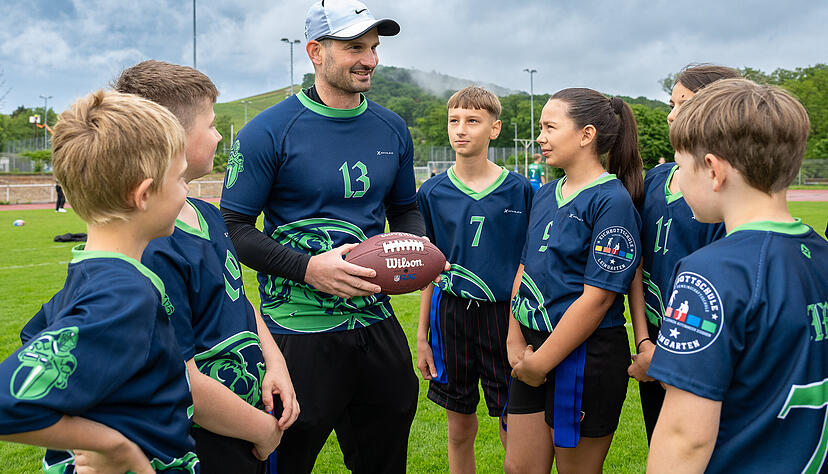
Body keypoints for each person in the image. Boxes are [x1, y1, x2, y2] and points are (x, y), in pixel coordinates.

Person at [219, 1, 424, 472]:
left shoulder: (392, 126)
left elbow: (405, 208)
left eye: (373, 48)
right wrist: (309, 269)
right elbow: (234, 229)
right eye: (354, 47)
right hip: (298, 331)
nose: (369, 59)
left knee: (385, 458)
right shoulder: (267, 131)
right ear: (315, 51)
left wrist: (413, 252)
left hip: (375, 321)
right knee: (287, 459)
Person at [114, 60, 299, 474]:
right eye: (212, 124)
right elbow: (182, 381)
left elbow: (239, 301)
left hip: (252, 415)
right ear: (173, 136)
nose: (219, 137)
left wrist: (276, 365)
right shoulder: (152, 242)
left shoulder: (208, 214)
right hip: (209, 442)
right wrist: (262, 431)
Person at [0, 90, 196, 473]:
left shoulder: (88, 274)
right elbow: (9, 401)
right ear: (143, 195)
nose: (186, 189)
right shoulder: (123, 294)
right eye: (181, 178)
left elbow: (36, 337)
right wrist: (114, 446)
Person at [647, 78, 828, 472]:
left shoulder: (710, 273)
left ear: (713, 170)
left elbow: (685, 437)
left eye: (681, 166)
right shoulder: (820, 253)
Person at [506, 89, 643, 474]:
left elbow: (597, 300)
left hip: (586, 354)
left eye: (550, 127)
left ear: (586, 135)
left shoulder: (612, 201)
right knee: (519, 468)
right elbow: (525, 269)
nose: (540, 137)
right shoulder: (546, 192)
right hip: (530, 346)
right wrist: (514, 336)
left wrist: (543, 361)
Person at [416, 86, 533, 473]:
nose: (460, 130)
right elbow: (428, 270)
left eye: (472, 121)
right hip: (451, 317)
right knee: (459, 426)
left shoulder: (520, 190)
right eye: (454, 121)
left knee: (511, 423)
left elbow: (527, 264)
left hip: (505, 316)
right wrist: (422, 338)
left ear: (494, 129)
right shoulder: (432, 192)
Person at [627, 64, 739, 442]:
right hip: (652, 341)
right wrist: (644, 344)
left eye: (684, 103)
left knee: (698, 444)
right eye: (671, 103)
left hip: (700, 342)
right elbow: (637, 265)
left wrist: (671, 356)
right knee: (659, 443)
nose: (672, 114)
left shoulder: (724, 190)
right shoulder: (655, 179)